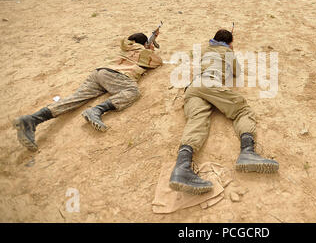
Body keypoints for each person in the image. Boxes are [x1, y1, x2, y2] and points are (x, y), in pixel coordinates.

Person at [169, 29, 279, 195]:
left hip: (192, 88)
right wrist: (231, 51)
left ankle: (182, 167)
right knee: (242, 110)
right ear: (229, 42)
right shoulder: (227, 51)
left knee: (197, 121)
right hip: (210, 83)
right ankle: (248, 151)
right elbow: (237, 72)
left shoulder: (206, 50)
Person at [14, 32, 162, 152]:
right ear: (143, 43)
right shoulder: (143, 51)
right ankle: (97, 110)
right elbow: (157, 63)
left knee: (75, 98)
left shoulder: (125, 48)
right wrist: (150, 50)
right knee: (133, 91)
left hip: (99, 73)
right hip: (116, 76)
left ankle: (33, 119)